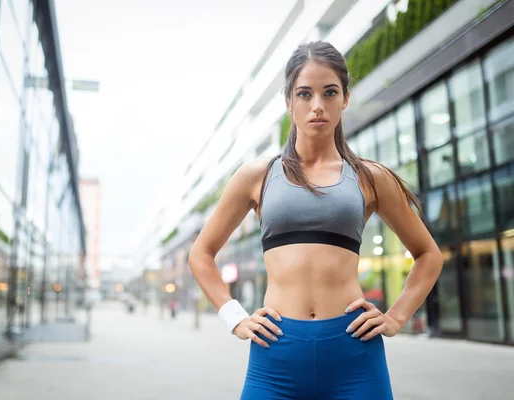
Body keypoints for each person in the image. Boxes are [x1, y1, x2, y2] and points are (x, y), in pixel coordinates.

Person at [188, 41, 443, 399]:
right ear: (289, 102)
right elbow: (201, 254)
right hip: (275, 357)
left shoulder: (371, 177)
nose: (318, 106)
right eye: (305, 94)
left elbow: (429, 255)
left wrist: (396, 317)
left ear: (346, 99)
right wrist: (235, 318)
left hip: (354, 357)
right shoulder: (256, 176)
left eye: (330, 92)